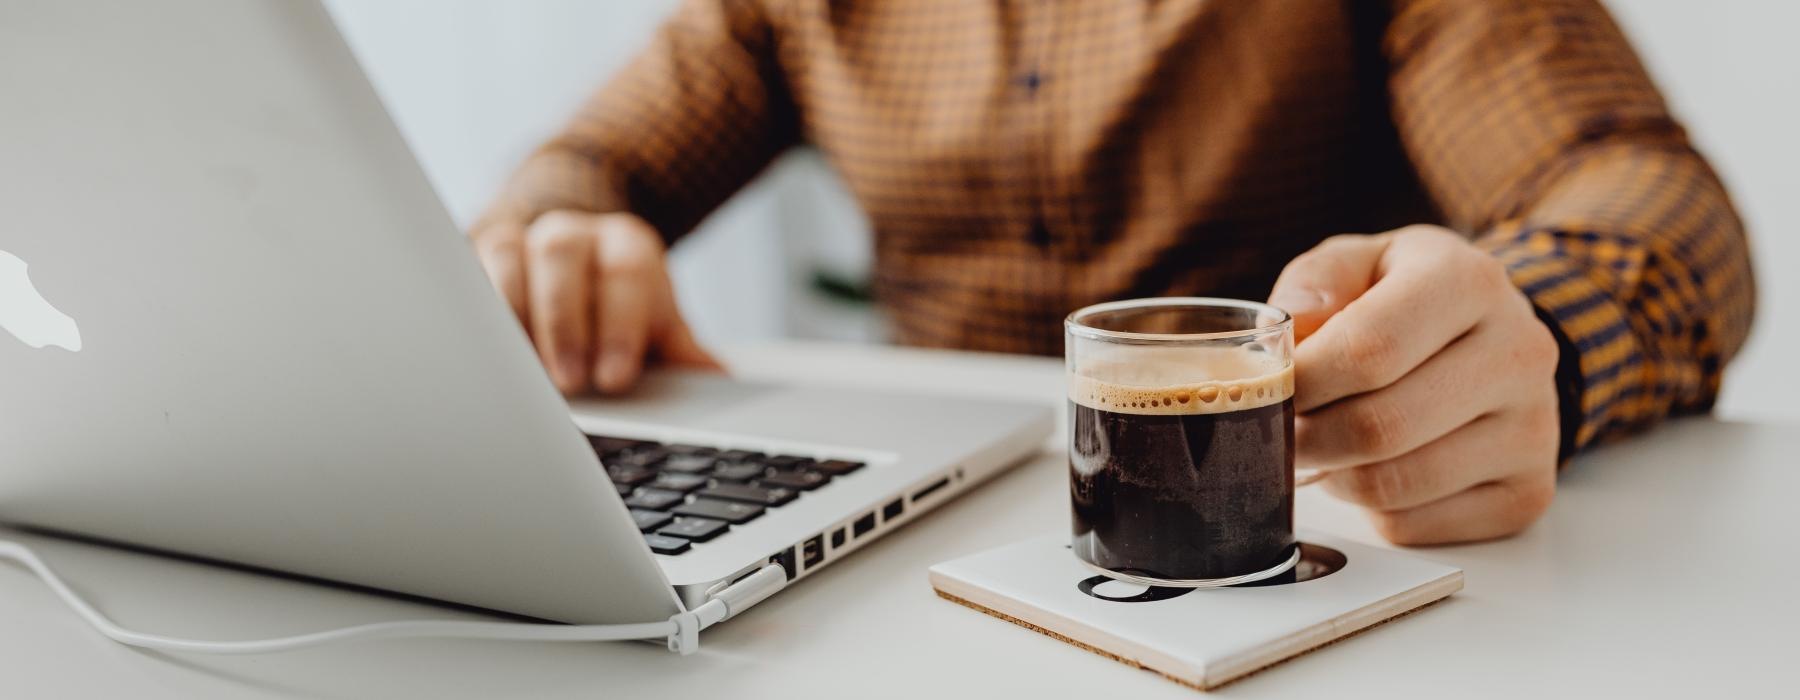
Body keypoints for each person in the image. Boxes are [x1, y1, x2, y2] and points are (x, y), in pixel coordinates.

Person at [468, 0, 1754, 545]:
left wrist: (1527, 337)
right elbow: (592, 162)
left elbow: (1639, 189)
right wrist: (557, 229)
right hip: (911, 572)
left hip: (1323, 563)